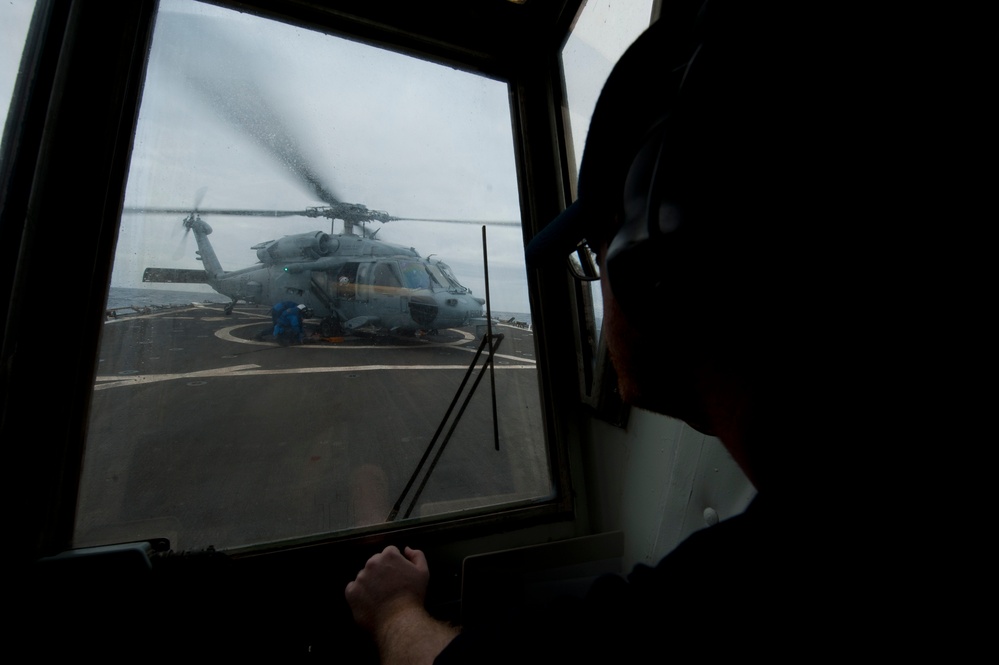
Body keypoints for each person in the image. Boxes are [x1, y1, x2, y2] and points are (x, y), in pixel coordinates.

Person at [346, 2, 879, 661]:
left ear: (655, 261)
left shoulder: (747, 590)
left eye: (598, 258)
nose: (601, 292)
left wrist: (395, 607)